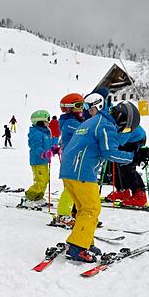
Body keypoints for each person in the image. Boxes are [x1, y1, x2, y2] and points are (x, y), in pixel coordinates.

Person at [59, 96, 142, 262]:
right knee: (91, 209)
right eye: (125, 129)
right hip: (82, 172)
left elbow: (107, 143)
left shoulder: (95, 120)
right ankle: (77, 247)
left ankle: (85, 242)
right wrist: (134, 157)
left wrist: (130, 151)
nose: (122, 131)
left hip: (70, 171)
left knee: (84, 209)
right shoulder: (105, 125)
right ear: (122, 120)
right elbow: (109, 152)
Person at [53, 93, 85, 225]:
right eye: (78, 105)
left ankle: (74, 211)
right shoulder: (71, 123)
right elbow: (87, 131)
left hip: (77, 159)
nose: (81, 109)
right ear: (69, 108)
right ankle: (62, 214)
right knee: (71, 188)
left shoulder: (75, 121)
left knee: (79, 187)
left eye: (83, 105)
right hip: (71, 159)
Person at [20, 110, 58, 209]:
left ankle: (38, 198)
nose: (48, 122)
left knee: (45, 180)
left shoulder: (45, 132)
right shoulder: (36, 133)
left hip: (44, 161)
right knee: (40, 181)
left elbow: (47, 145)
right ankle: (28, 198)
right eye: (47, 120)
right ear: (40, 121)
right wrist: (43, 153)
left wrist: (53, 149)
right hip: (37, 161)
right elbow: (35, 147)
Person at [106, 121, 149, 207]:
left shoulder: (115, 120)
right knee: (116, 163)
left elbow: (121, 139)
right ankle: (122, 190)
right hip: (125, 139)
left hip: (135, 139)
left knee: (127, 166)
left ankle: (140, 194)